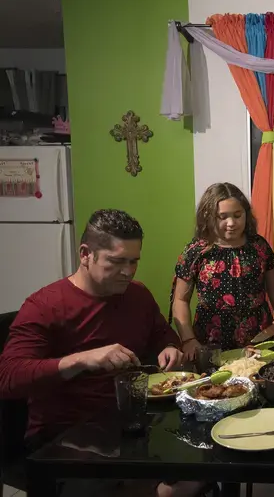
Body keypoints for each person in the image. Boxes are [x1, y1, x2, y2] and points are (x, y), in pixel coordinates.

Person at [0, 209, 204, 496]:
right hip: (65, 443)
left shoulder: (137, 294)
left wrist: (170, 348)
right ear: (86, 254)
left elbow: (162, 334)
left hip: (129, 429)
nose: (128, 271)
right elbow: (8, 377)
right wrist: (81, 359)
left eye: (134, 261)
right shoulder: (44, 306)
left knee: (204, 468)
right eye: (117, 261)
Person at [171, 183, 274, 360]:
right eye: (222, 217)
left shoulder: (259, 246)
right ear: (208, 217)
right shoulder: (196, 251)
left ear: (246, 214)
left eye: (237, 215)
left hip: (259, 338)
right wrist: (188, 339)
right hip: (210, 341)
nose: (231, 223)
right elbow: (180, 299)